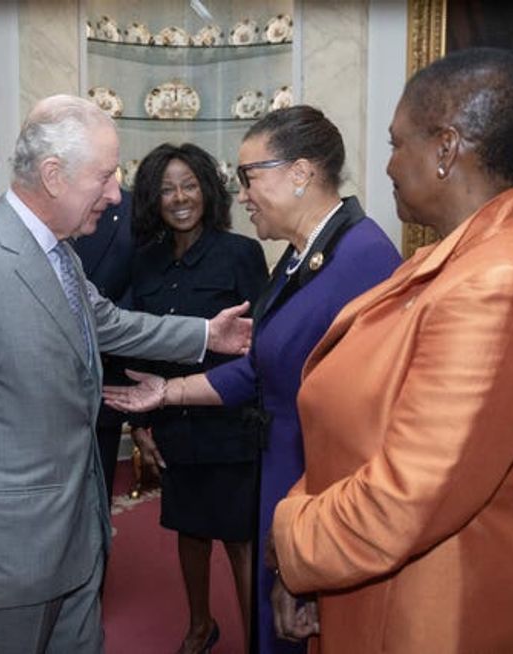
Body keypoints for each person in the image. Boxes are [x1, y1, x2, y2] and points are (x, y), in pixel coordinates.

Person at [0, 94, 253, 654]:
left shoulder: (59, 254)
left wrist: (207, 335)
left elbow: (109, 322)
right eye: (106, 177)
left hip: (79, 540)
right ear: (54, 176)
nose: (117, 195)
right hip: (7, 559)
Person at [267, 48, 513, 652]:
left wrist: (289, 537)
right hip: (370, 581)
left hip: (434, 614)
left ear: (446, 149)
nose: (386, 166)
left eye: (396, 143)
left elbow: (406, 498)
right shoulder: (451, 257)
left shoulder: (496, 285)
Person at [103, 106, 401, 654]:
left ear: (300, 173)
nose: (241, 195)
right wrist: (167, 392)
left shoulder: (364, 259)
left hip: (317, 486)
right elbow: (261, 362)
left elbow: (371, 421)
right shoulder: (301, 257)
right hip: (283, 472)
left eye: (249, 177)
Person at [126, 143, 268, 653]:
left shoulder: (241, 254)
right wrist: (139, 427)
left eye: (188, 185)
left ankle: (258, 640)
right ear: (152, 199)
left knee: (239, 537)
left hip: (230, 420)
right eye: (166, 188)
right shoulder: (143, 263)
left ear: (207, 190)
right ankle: (200, 626)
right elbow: (135, 344)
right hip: (172, 422)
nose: (179, 197)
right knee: (189, 529)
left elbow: (263, 345)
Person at [71, 189, 135, 500]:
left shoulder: (128, 209)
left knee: (97, 499)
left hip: (105, 373)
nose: (113, 187)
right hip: (43, 391)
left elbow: (137, 293)